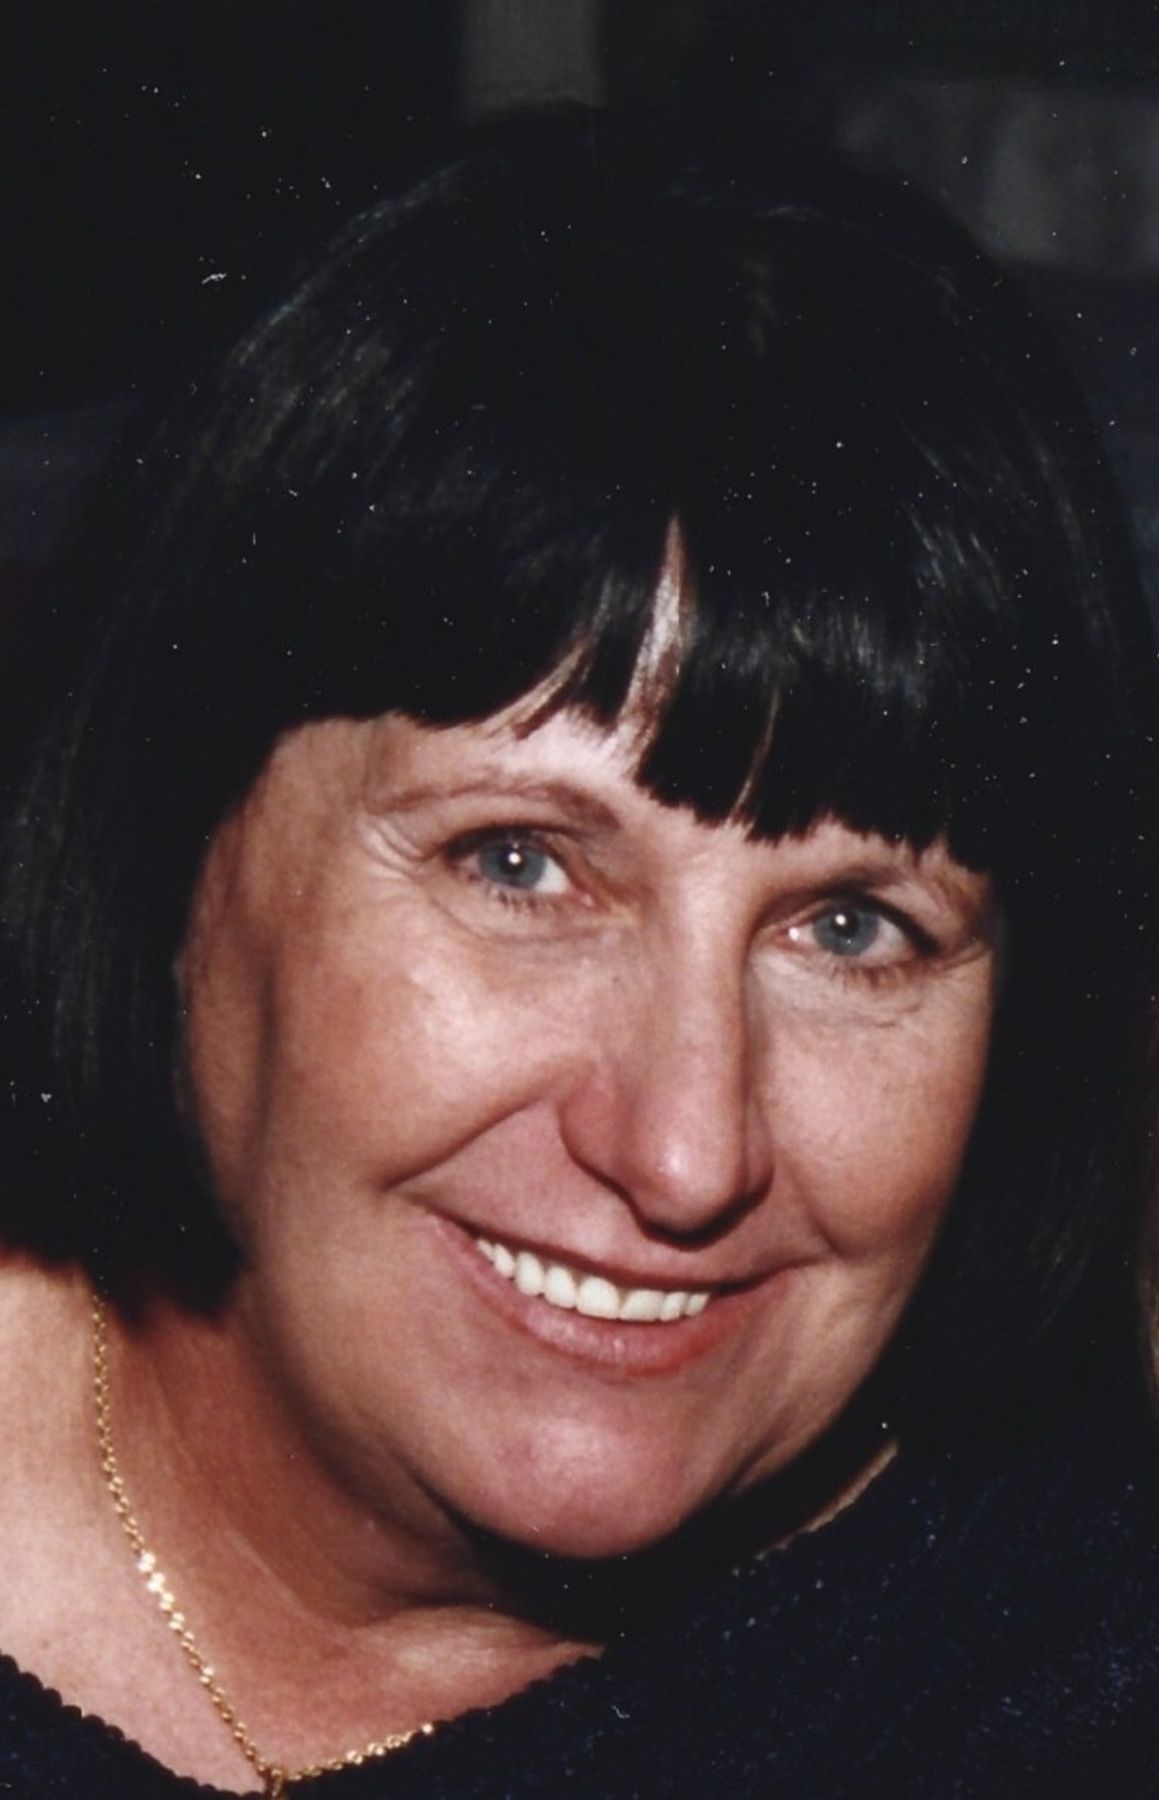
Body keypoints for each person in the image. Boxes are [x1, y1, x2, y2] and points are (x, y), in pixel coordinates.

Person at [0, 108, 1156, 1799]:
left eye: (852, 929)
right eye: (519, 864)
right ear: (167, 850)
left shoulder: (1068, 1671)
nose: (687, 1152)